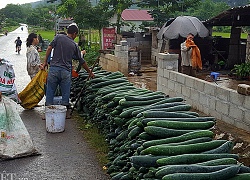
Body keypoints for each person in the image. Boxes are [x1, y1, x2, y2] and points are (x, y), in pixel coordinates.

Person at [42, 23, 94, 118]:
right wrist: (89, 72)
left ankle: (47, 114)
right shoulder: (74, 45)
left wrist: (45, 62)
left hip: (54, 69)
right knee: (65, 92)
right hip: (65, 71)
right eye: (76, 35)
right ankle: (65, 114)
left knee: (50, 90)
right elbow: (81, 61)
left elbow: (49, 48)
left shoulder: (58, 37)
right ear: (74, 33)